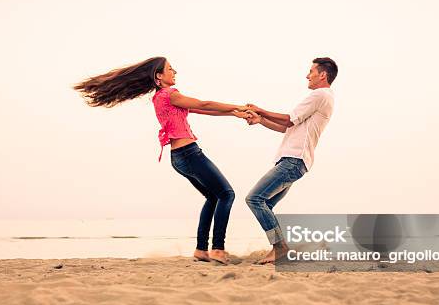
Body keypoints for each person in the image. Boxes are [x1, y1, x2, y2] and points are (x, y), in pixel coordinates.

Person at [73, 57, 250, 264]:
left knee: (213, 197)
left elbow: (201, 109)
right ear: (159, 76)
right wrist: (239, 105)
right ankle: (217, 249)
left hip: (178, 159)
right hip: (190, 154)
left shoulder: (160, 98)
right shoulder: (170, 94)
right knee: (226, 194)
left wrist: (234, 113)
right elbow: (205, 103)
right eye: (170, 69)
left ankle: (201, 250)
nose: (174, 71)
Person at [243, 57, 338, 265]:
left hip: (293, 161)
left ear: (323, 74)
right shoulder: (324, 97)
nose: (307, 75)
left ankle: (279, 248)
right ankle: (280, 247)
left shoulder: (319, 94)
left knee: (254, 199)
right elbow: (287, 127)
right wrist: (261, 120)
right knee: (265, 203)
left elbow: (287, 119)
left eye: (311, 71)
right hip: (294, 162)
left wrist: (260, 110)